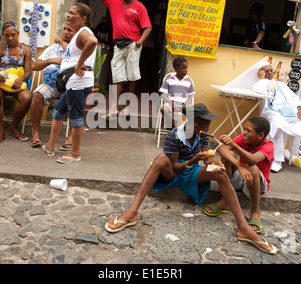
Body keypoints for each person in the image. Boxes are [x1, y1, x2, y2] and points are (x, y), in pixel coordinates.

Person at [104, 103, 277, 255]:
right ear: (195, 125)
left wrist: (213, 162)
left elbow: (207, 159)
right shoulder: (174, 135)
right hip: (175, 172)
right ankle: (132, 212)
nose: (209, 127)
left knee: (221, 173)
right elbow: (176, 167)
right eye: (207, 124)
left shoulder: (201, 135)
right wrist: (193, 160)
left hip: (192, 171)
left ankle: (243, 228)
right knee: (160, 158)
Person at [70, 0, 152, 117]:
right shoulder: (114, 0)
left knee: (132, 76)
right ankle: (113, 108)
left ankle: (127, 106)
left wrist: (139, 42)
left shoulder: (139, 7)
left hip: (133, 45)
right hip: (119, 45)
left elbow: (148, 27)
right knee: (117, 77)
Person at [41, 3, 98, 164]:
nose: (69, 15)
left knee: (76, 116)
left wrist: (79, 63)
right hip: (74, 82)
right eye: (69, 12)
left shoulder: (84, 32)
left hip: (78, 82)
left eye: (73, 13)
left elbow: (93, 42)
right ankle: (50, 146)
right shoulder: (80, 34)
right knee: (59, 110)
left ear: (83, 18)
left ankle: (75, 153)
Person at [252, 62, 301, 181]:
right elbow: (258, 90)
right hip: (274, 113)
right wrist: (262, 78)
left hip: (293, 116)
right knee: (278, 123)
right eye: (266, 71)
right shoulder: (259, 84)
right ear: (260, 73)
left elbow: (294, 97)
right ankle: (277, 160)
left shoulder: (281, 84)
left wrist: (300, 108)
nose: (269, 73)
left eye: (270, 70)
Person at [203, 117, 273, 234]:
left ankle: (255, 210)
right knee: (228, 154)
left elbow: (252, 160)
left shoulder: (268, 146)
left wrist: (234, 146)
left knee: (252, 168)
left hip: (256, 185)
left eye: (248, 131)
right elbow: (221, 148)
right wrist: (239, 165)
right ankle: (226, 200)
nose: (244, 132)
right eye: (244, 129)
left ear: (260, 135)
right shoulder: (243, 138)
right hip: (241, 176)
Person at [0, 21, 32, 146]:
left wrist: (21, 79)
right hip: (1, 82)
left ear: (18, 33)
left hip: (16, 82)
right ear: (3, 36)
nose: (10, 38)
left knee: (27, 98)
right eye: (7, 35)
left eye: (13, 35)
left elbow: (28, 72)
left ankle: (13, 126)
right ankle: (0, 132)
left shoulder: (26, 50)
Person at [29, 23, 76, 148]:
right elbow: (34, 66)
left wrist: (60, 41)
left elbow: (70, 51)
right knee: (37, 96)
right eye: (64, 29)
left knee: (76, 99)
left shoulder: (77, 49)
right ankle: (36, 133)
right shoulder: (53, 49)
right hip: (52, 86)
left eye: (69, 30)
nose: (65, 32)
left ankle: (71, 137)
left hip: (69, 87)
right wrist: (51, 60)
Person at [159, 57, 195, 127]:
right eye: (183, 68)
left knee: (193, 113)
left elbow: (191, 96)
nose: (186, 70)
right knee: (164, 109)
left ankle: (184, 130)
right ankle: (175, 127)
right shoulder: (169, 80)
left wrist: (187, 104)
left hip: (184, 105)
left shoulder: (188, 82)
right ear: (176, 69)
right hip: (171, 103)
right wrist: (171, 103)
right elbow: (164, 95)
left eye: (186, 68)